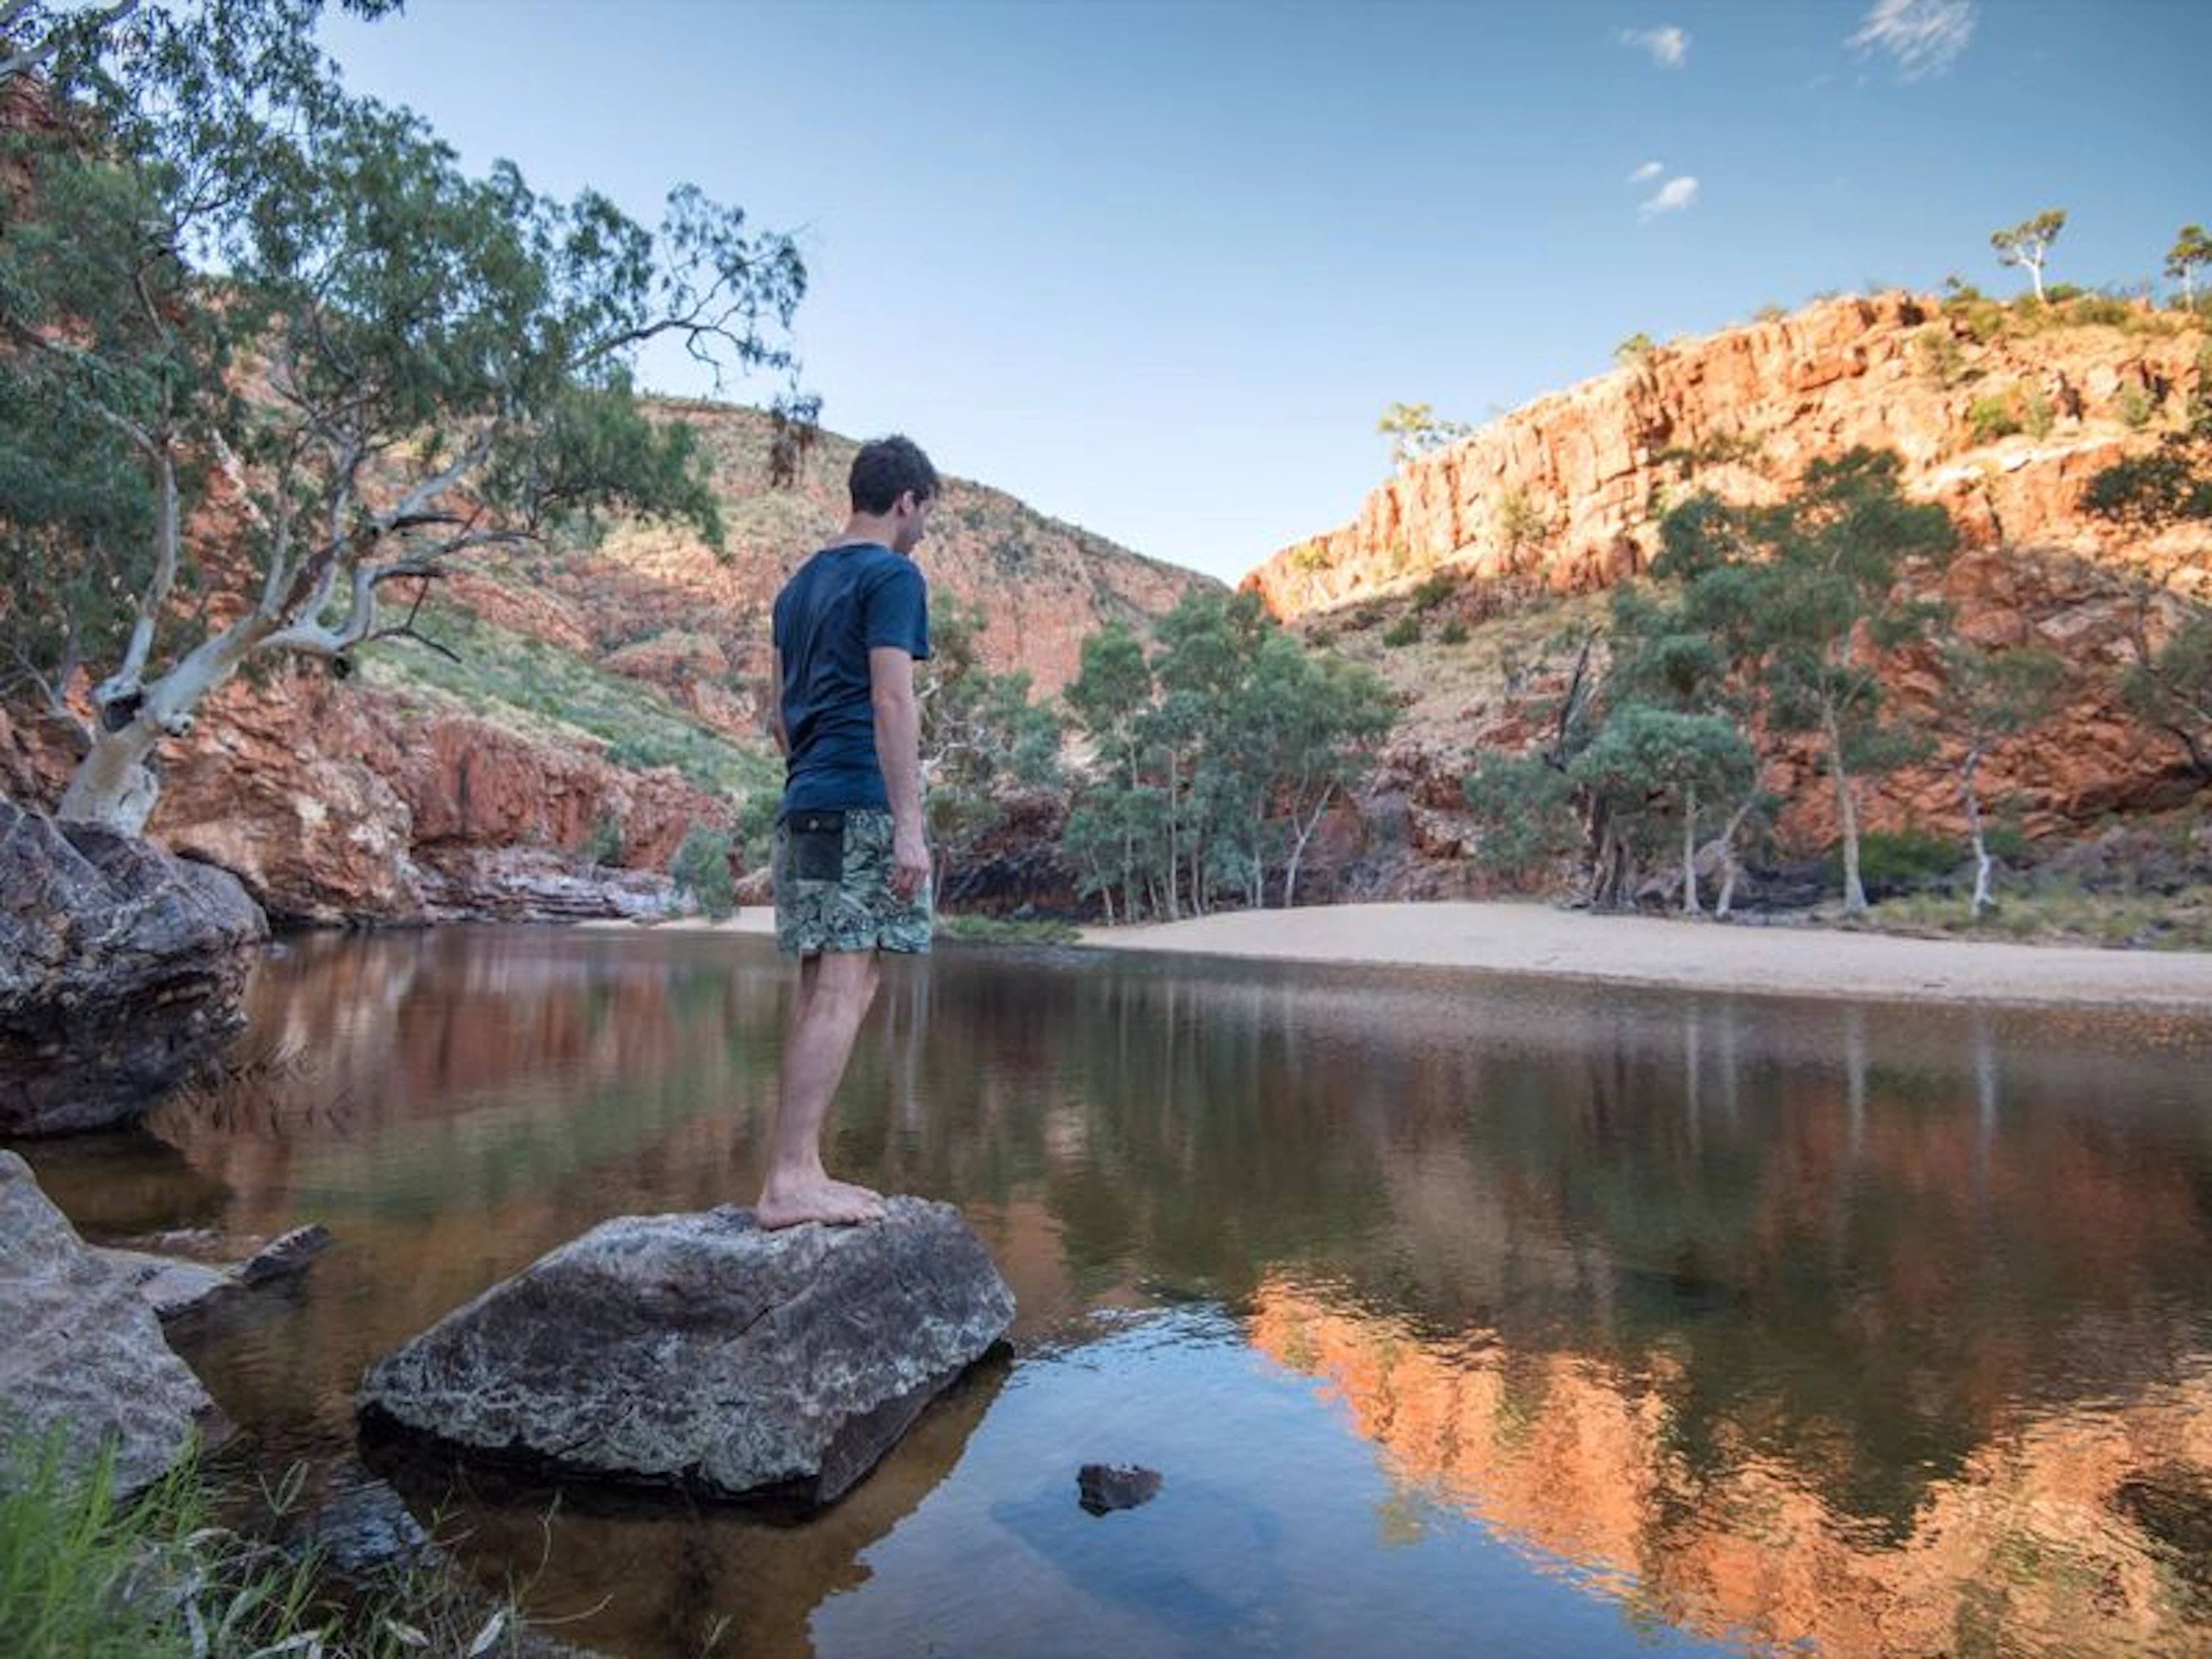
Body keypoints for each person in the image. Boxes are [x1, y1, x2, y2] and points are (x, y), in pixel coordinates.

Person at [756, 435, 938, 1229]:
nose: (924, 530)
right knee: (847, 984)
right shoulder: (891, 575)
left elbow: (776, 719)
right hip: (859, 799)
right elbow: (892, 703)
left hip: (808, 801)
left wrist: (814, 780)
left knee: (826, 985)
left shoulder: (798, 588)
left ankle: (802, 1167)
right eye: (927, 514)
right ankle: (789, 1179)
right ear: (907, 502)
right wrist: (908, 827)